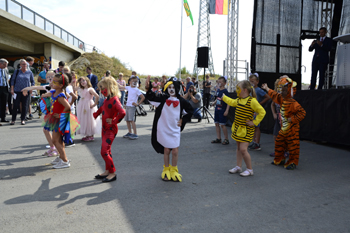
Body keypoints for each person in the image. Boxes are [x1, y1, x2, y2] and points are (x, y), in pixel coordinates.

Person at [145, 76, 193, 182]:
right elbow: (151, 98)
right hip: (164, 128)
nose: (171, 89)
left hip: (175, 129)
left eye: (173, 87)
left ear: (177, 88)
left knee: (175, 151)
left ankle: (174, 170)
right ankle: (166, 169)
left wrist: (183, 120)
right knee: (166, 150)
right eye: (169, 87)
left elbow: (190, 111)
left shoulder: (181, 101)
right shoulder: (163, 99)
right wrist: (148, 88)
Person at [261, 76, 306, 170]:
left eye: (284, 91)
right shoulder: (282, 99)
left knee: (292, 145)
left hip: (292, 129)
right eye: (282, 90)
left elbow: (302, 113)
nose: (282, 92)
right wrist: (267, 89)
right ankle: (280, 159)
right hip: (284, 128)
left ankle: (293, 161)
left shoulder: (294, 103)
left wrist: (292, 118)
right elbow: (274, 95)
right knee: (279, 142)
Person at [223, 80, 266, 177]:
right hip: (238, 129)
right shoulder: (238, 100)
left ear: (245, 90)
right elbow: (231, 102)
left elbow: (262, 112)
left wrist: (254, 122)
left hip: (247, 130)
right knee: (238, 147)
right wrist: (224, 97)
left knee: (243, 149)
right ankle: (238, 166)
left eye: (238, 89)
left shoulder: (252, 101)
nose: (237, 91)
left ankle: (250, 169)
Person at [41, 73, 79, 169]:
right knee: (58, 140)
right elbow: (49, 93)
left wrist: (61, 115)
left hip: (59, 120)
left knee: (55, 140)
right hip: (54, 119)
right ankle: (61, 158)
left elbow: (68, 107)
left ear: (61, 85)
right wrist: (44, 95)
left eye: (54, 81)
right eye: (52, 80)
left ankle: (65, 161)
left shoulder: (61, 96)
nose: (52, 83)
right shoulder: (55, 92)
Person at [93, 77, 126, 182]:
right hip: (105, 128)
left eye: (103, 88)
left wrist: (114, 121)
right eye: (100, 88)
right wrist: (95, 114)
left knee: (104, 151)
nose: (101, 91)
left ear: (110, 87)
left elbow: (122, 112)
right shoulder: (107, 99)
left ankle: (112, 172)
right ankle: (107, 171)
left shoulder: (115, 100)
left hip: (110, 129)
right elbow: (103, 108)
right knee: (107, 151)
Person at [22, 71, 58, 156]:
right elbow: (36, 87)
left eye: (52, 76)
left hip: (56, 112)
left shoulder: (57, 87)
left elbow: (56, 95)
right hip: (49, 112)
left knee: (55, 132)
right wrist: (26, 88)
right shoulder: (48, 87)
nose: (50, 78)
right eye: (48, 76)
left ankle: (57, 150)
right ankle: (52, 147)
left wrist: (47, 95)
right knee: (46, 130)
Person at [248, 73, 270, 150]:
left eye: (253, 81)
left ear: (257, 81)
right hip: (251, 111)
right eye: (250, 81)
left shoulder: (259, 90)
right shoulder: (250, 90)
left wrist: (259, 104)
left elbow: (267, 97)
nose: (251, 83)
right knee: (253, 127)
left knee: (257, 127)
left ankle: (257, 143)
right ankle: (254, 142)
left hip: (256, 111)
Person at [10, 59, 35, 125]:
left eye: (25, 64)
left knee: (25, 106)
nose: (24, 66)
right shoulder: (17, 71)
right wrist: (12, 89)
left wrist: (31, 89)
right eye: (23, 64)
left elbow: (32, 81)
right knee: (15, 105)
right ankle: (13, 120)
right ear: (20, 65)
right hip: (17, 91)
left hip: (26, 91)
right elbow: (12, 81)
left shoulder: (29, 72)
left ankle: (23, 119)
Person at [76, 76, 101, 141]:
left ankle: (91, 135)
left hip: (88, 104)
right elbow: (74, 88)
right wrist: (75, 81)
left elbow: (97, 96)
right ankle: (87, 134)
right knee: (84, 119)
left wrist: (94, 104)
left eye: (83, 81)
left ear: (87, 81)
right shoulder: (81, 89)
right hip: (82, 104)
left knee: (89, 119)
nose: (82, 82)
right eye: (81, 82)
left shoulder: (90, 89)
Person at [123, 75, 145, 139]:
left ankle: (135, 134)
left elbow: (143, 97)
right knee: (127, 120)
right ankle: (130, 132)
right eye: (133, 81)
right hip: (127, 106)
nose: (134, 82)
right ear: (130, 82)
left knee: (132, 120)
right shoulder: (129, 87)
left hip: (132, 107)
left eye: (136, 81)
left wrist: (137, 104)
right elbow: (122, 87)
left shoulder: (136, 90)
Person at [211, 76, 230, 145]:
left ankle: (226, 139)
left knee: (222, 125)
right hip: (217, 109)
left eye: (221, 81)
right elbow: (218, 98)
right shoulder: (218, 90)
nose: (219, 83)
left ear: (224, 83)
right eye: (218, 81)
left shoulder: (225, 91)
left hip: (222, 109)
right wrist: (214, 102)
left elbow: (229, 102)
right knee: (216, 124)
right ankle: (218, 138)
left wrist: (227, 110)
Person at [0, 58, 10, 125]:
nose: (5, 66)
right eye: (4, 64)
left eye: (6, 65)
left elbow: (7, 78)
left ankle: (3, 118)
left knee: (4, 104)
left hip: (5, 88)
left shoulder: (6, 70)